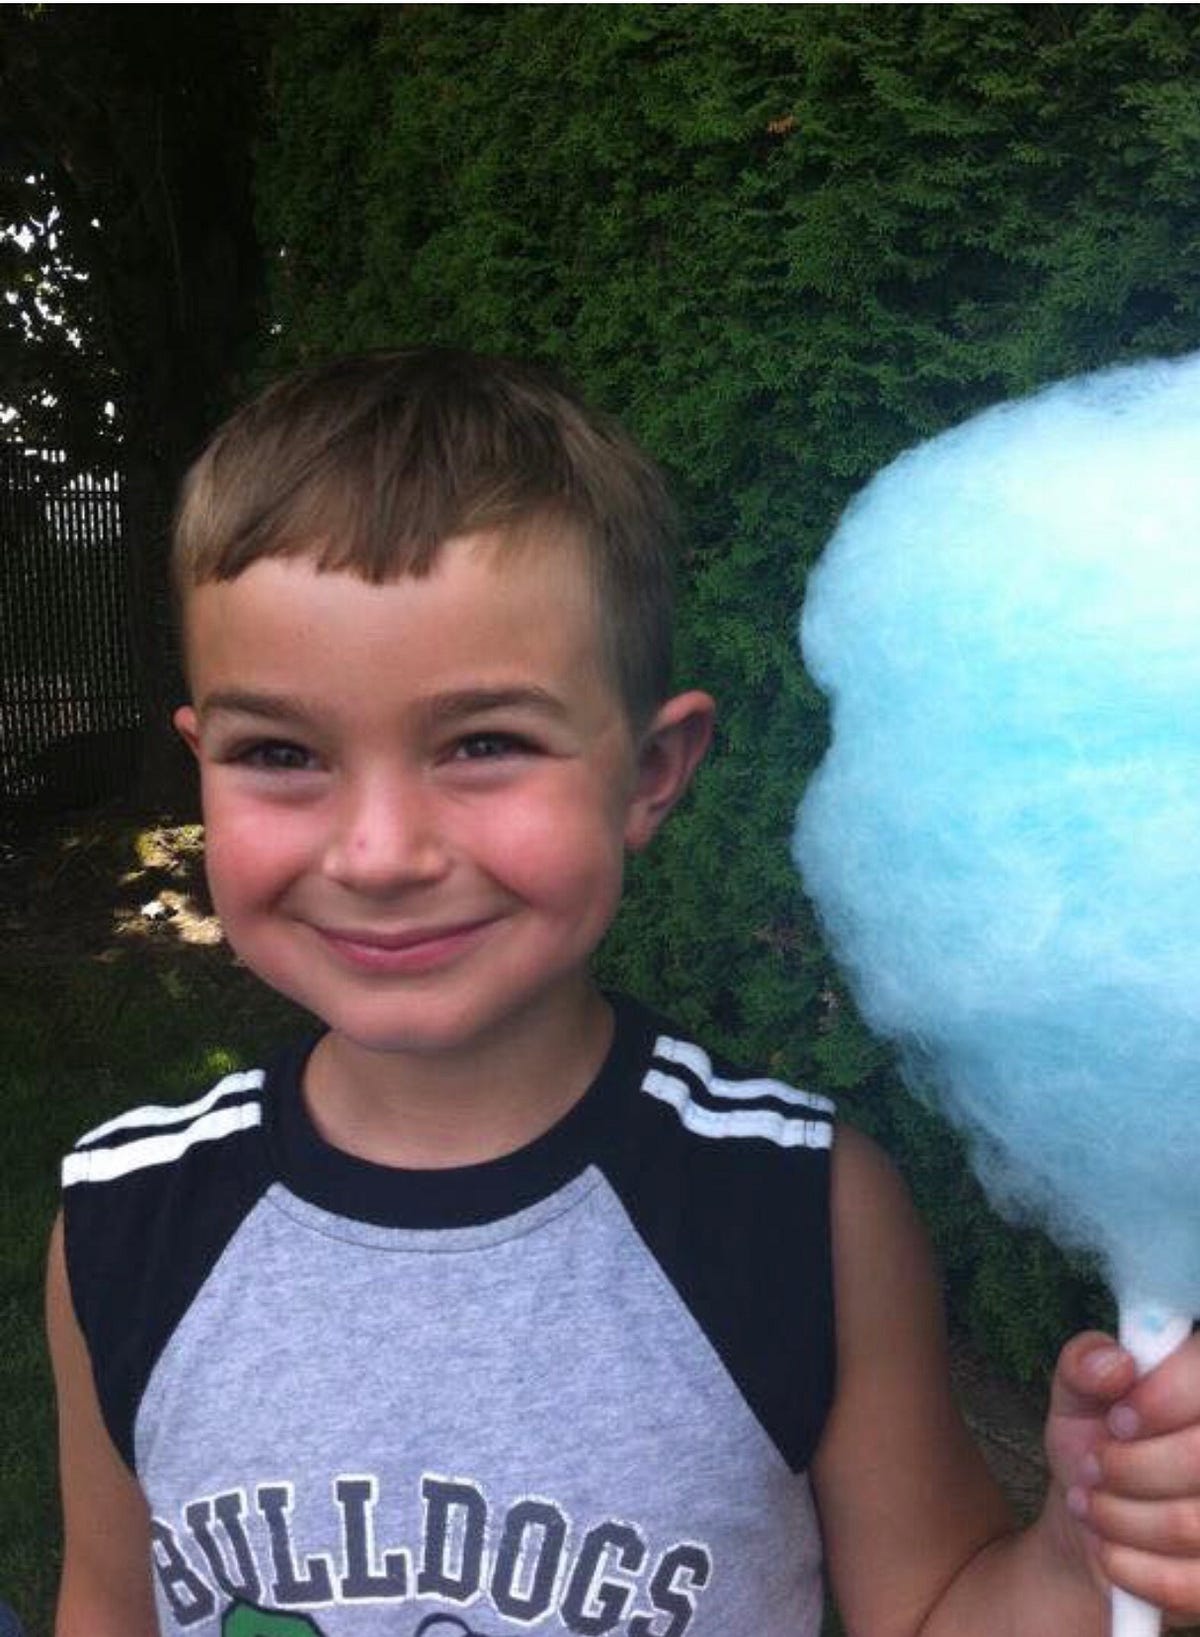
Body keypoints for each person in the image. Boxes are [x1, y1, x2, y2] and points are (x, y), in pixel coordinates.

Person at [48, 348, 1200, 1637]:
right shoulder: (123, 1215)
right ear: (199, 764)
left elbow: (932, 1614)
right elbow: (108, 1602)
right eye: (280, 754)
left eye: (485, 743)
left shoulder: (801, 1209)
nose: (377, 853)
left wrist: (1090, 1551)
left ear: (654, 771)